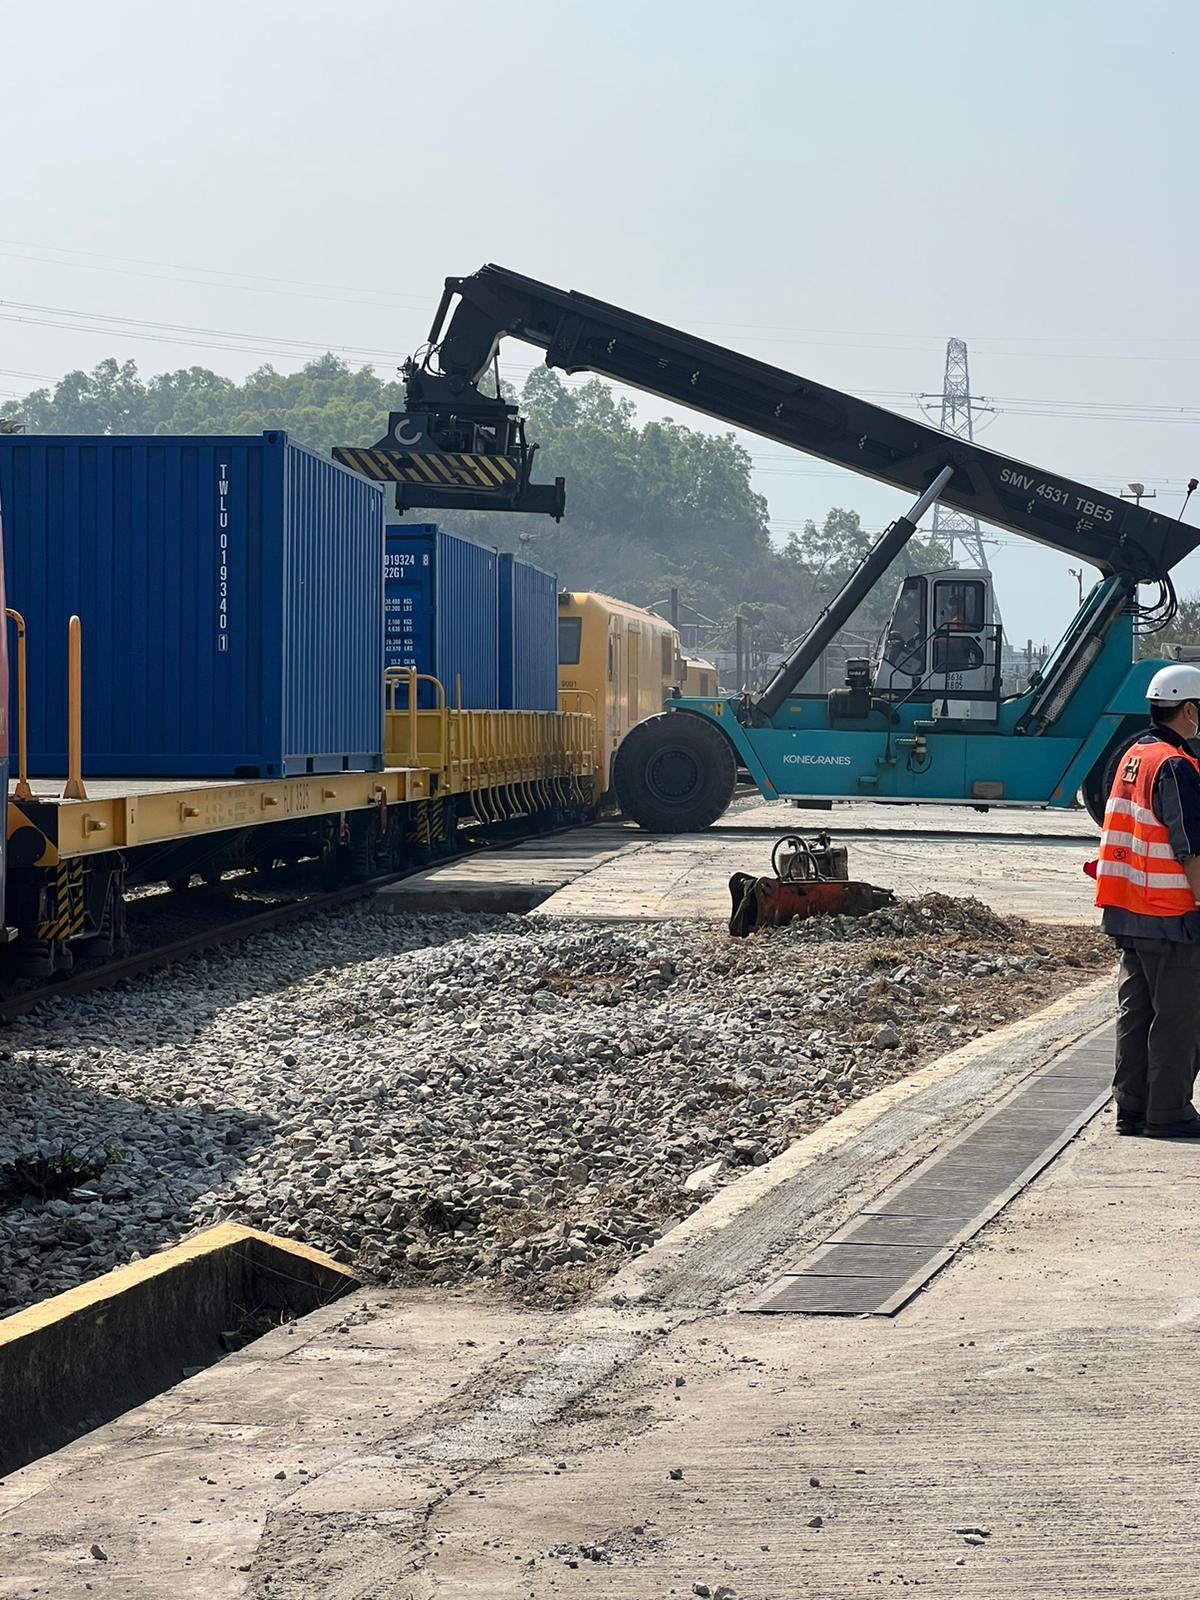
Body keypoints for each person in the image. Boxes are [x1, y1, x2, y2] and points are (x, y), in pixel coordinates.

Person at [1094, 663, 1200, 1138]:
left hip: (1128, 910)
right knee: (1178, 1017)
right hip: (1171, 915)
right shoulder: (1176, 766)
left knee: (1136, 1013)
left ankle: (1132, 1109)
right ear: (1189, 710)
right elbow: (1191, 848)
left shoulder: (1135, 755)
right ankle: (1169, 1113)